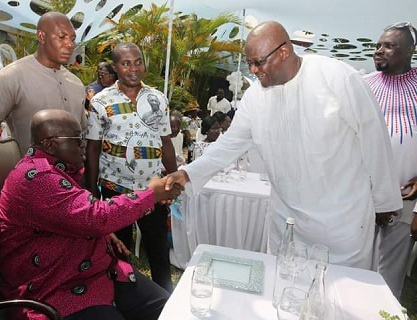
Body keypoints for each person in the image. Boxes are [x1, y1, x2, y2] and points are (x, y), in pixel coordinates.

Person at [164, 21, 402, 269]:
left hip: (341, 222)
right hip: (286, 220)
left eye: (258, 62)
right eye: (250, 63)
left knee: (337, 297)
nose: (253, 70)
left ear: (284, 52)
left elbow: (375, 140)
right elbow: (229, 144)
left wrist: (384, 202)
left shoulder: (338, 78)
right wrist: (187, 174)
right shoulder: (256, 96)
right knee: (282, 291)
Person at [0, 109, 181, 320]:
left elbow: (79, 212)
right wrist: (152, 194)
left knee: (170, 309)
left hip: (97, 271)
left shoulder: (64, 169)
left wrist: (101, 233)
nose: (83, 144)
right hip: (55, 287)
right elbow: (97, 217)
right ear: (50, 144)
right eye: (77, 139)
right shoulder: (36, 178)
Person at [86, 42, 177, 292]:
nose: (134, 68)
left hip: (153, 190)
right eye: (126, 63)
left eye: (138, 62)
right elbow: (92, 148)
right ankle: (124, 300)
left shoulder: (158, 98)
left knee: (158, 251)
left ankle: (164, 303)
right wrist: (91, 193)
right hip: (116, 189)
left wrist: (174, 178)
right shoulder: (100, 101)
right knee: (119, 253)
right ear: (115, 67)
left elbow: (166, 142)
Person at [0, 12, 87, 155]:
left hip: (74, 175)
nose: (70, 44)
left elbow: (82, 130)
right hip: (29, 174)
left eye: (73, 38)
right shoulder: (12, 75)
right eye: (62, 37)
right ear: (42, 37)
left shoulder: (76, 83)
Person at [365, 22, 417, 298]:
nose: (379, 51)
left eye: (388, 46)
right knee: (354, 272)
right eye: (377, 46)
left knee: (387, 282)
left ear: (411, 50)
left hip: (405, 202)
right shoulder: (363, 86)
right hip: (362, 199)